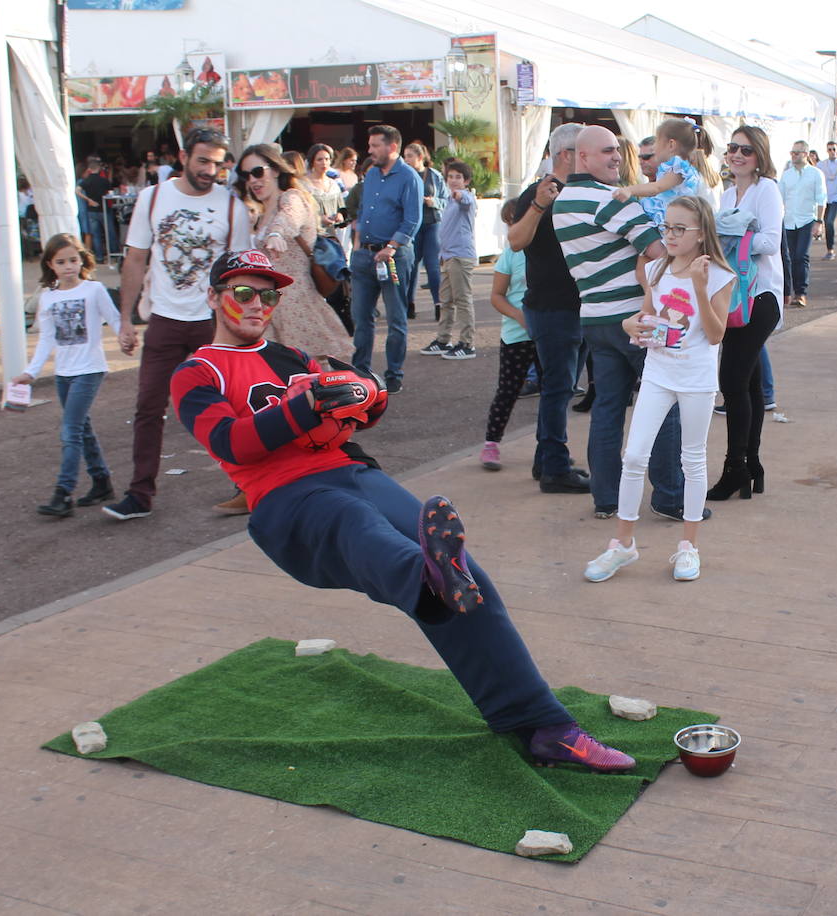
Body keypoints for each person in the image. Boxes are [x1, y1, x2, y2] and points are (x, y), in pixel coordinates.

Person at [171, 249, 636, 774]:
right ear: (213, 297)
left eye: (269, 294)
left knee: (468, 580)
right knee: (363, 530)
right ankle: (423, 579)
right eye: (243, 293)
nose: (258, 304)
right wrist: (307, 406)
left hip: (354, 470)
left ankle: (545, 727)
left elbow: (353, 413)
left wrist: (365, 397)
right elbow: (231, 443)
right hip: (287, 497)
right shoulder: (196, 372)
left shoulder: (292, 357)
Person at [105, 128, 252, 522]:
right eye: (203, 160)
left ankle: (249, 484)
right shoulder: (152, 198)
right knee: (149, 406)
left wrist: (242, 326)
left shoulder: (232, 207)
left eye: (218, 164)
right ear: (184, 156)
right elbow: (135, 259)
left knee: (231, 406)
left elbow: (240, 274)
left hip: (213, 324)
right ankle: (140, 494)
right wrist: (125, 319)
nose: (210, 170)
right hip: (165, 321)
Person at [584, 195, 732, 583]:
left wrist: (699, 286)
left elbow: (716, 335)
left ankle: (688, 546)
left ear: (701, 235)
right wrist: (631, 325)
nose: (670, 234)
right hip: (657, 372)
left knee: (692, 459)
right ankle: (623, 543)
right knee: (633, 456)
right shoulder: (654, 269)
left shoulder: (718, 274)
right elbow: (646, 315)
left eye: (680, 228)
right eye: (666, 226)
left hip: (697, 377)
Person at [554, 125, 689, 522]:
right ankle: (669, 496)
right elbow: (660, 251)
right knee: (664, 406)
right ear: (583, 157)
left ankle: (606, 497)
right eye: (607, 151)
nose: (616, 157)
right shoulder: (609, 199)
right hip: (636, 318)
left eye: (618, 149)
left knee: (608, 410)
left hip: (595, 318)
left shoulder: (565, 201)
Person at [509, 123, 592, 496]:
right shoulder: (539, 193)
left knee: (558, 387)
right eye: (584, 151)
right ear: (566, 155)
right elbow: (515, 241)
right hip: (553, 308)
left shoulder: (580, 192)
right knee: (559, 388)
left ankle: (547, 459)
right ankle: (555, 468)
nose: (591, 157)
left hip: (571, 307)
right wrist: (540, 204)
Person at [12, 234, 120, 517]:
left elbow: (116, 319)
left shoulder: (94, 290)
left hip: (90, 369)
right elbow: (46, 339)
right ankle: (101, 481)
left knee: (70, 430)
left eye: (73, 260)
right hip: (63, 373)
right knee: (82, 429)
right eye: (61, 262)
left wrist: (126, 339)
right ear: (51, 265)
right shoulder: (48, 297)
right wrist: (30, 372)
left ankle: (64, 493)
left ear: (82, 260)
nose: (69, 266)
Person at [711, 127, 783, 502]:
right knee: (749, 383)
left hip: (761, 295)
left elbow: (771, 240)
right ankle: (751, 463)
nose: (737, 155)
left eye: (746, 150)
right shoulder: (725, 194)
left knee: (732, 381)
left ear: (759, 155)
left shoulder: (766, 189)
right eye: (732, 148)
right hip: (735, 296)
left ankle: (734, 466)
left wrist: (733, 234)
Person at [237, 143, 350, 363]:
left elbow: (290, 217)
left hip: (296, 303)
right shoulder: (259, 212)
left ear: (276, 170)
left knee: (309, 374)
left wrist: (277, 235)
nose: (252, 180)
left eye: (258, 172)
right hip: (267, 307)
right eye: (246, 175)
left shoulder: (291, 197)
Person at [350, 124, 421, 394]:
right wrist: (358, 248)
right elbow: (362, 212)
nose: (370, 150)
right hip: (364, 256)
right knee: (361, 317)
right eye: (370, 146)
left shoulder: (409, 177)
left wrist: (391, 247)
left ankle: (394, 374)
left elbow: (412, 219)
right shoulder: (371, 175)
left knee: (396, 318)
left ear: (392, 147)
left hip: (393, 257)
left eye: (375, 145)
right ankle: (360, 371)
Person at [480, 205, 537, 472]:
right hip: (517, 335)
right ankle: (491, 443)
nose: (514, 227)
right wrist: (519, 316)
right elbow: (496, 296)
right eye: (510, 222)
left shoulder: (555, 248)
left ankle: (550, 448)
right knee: (508, 390)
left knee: (556, 393)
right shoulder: (511, 254)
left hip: (550, 332)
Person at [611, 118, 720, 225]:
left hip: (675, 221)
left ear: (671, 145)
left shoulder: (678, 168)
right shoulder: (679, 167)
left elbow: (656, 188)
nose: (654, 146)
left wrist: (630, 190)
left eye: (657, 140)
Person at [423, 160, 477, 360]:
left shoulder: (466, 198)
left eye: (458, 177)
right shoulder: (448, 200)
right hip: (447, 256)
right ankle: (443, 339)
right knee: (445, 300)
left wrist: (459, 194)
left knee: (463, 299)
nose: (453, 181)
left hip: (461, 256)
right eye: (451, 177)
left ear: (466, 180)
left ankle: (467, 343)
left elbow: (466, 200)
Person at [400, 142, 446, 321]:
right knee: (411, 265)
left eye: (410, 156)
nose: (406, 160)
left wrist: (433, 202)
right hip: (413, 226)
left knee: (432, 265)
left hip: (432, 223)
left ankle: (438, 305)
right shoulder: (404, 176)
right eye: (405, 156)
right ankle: (409, 304)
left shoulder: (434, 176)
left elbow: (446, 198)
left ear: (420, 157)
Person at [779, 140, 826, 308]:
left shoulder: (815, 174)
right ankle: (790, 292)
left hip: (807, 220)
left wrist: (819, 222)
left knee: (801, 256)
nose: (793, 155)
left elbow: (821, 199)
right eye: (792, 152)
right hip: (789, 221)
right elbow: (780, 198)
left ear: (805, 154)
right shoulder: (786, 175)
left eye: (796, 153)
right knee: (790, 258)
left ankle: (801, 293)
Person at [75, 157, 112, 261]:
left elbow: (77, 191)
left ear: (90, 169)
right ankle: (112, 255)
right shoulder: (104, 181)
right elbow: (109, 192)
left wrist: (88, 200)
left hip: (91, 211)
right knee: (109, 233)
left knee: (95, 235)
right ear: (99, 168)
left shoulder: (85, 181)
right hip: (103, 209)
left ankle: (99, 257)